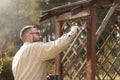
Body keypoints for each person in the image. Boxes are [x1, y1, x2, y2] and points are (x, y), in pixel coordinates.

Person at [12, 25, 79, 80]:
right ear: (29, 36)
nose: (40, 36)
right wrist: (73, 31)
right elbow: (57, 46)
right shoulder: (34, 48)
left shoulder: (17, 54)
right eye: (37, 33)